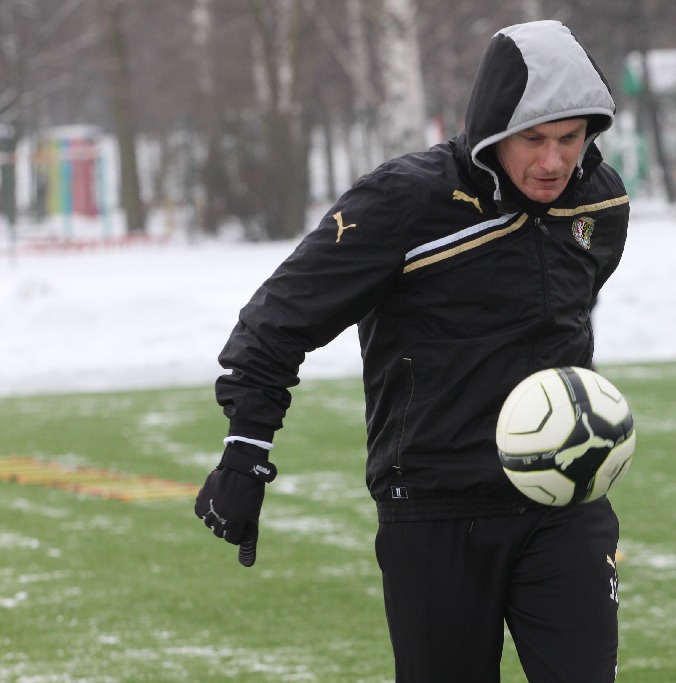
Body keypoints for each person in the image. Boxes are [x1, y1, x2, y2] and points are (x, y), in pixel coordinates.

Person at [194, 20, 629, 683]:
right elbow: (279, 318)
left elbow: (573, 308)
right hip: (435, 508)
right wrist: (246, 450)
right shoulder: (406, 203)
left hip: (563, 501)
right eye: (533, 139)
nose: (553, 161)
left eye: (569, 139)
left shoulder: (601, 202)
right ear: (492, 130)